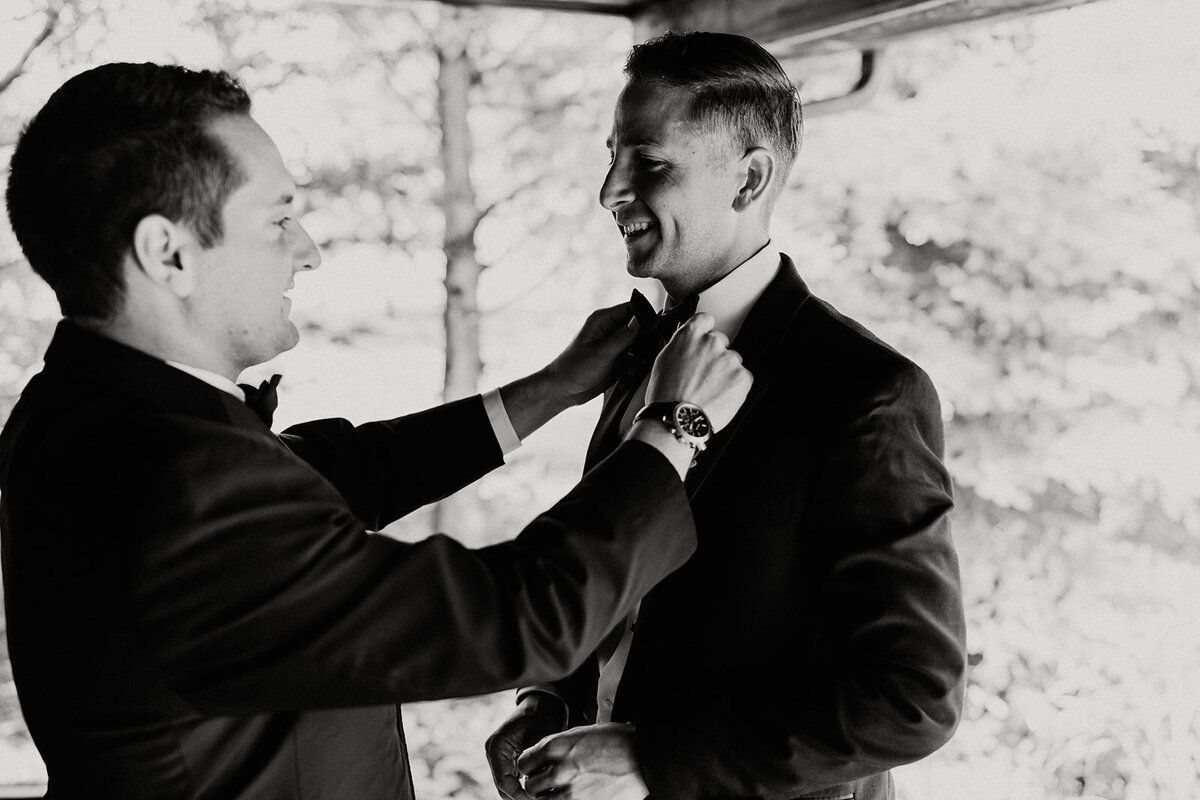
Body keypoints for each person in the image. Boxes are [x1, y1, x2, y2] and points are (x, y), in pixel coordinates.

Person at [0, 62, 753, 799]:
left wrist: (547, 390)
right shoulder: (177, 482)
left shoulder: (82, 413)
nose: (309, 250)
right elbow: (513, 621)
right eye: (279, 218)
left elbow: (333, 471)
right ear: (169, 253)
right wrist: (672, 430)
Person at [486, 31, 967, 800]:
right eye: (612, 156)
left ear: (748, 181)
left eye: (649, 163)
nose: (609, 190)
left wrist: (651, 758)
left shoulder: (866, 392)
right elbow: (620, 559)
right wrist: (547, 700)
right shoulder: (635, 350)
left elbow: (912, 699)